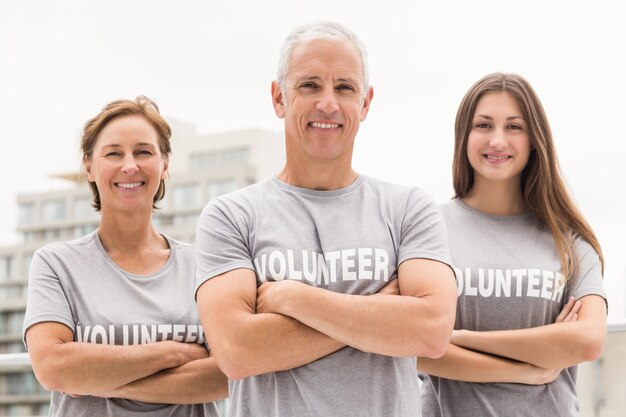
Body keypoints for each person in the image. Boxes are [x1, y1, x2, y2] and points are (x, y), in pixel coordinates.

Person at [194, 21, 457, 417]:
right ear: (278, 97)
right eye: (310, 85)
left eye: (345, 88)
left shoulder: (408, 209)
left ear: (365, 103)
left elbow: (432, 330)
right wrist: (381, 311)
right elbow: (236, 352)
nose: (328, 103)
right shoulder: (231, 216)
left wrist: (296, 299)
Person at [23, 96, 228, 417]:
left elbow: (225, 375)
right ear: (89, 166)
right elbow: (53, 367)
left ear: (164, 165)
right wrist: (170, 353)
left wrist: (97, 379)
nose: (129, 165)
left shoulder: (203, 265)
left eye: (144, 151)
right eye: (113, 153)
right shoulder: (56, 264)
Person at [417, 73, 607, 417]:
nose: (498, 140)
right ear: (464, 136)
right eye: (484, 125)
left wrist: (459, 338)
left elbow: (588, 340)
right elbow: (410, 347)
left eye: (514, 127)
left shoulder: (570, 241)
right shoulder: (428, 228)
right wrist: (530, 363)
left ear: (534, 139)